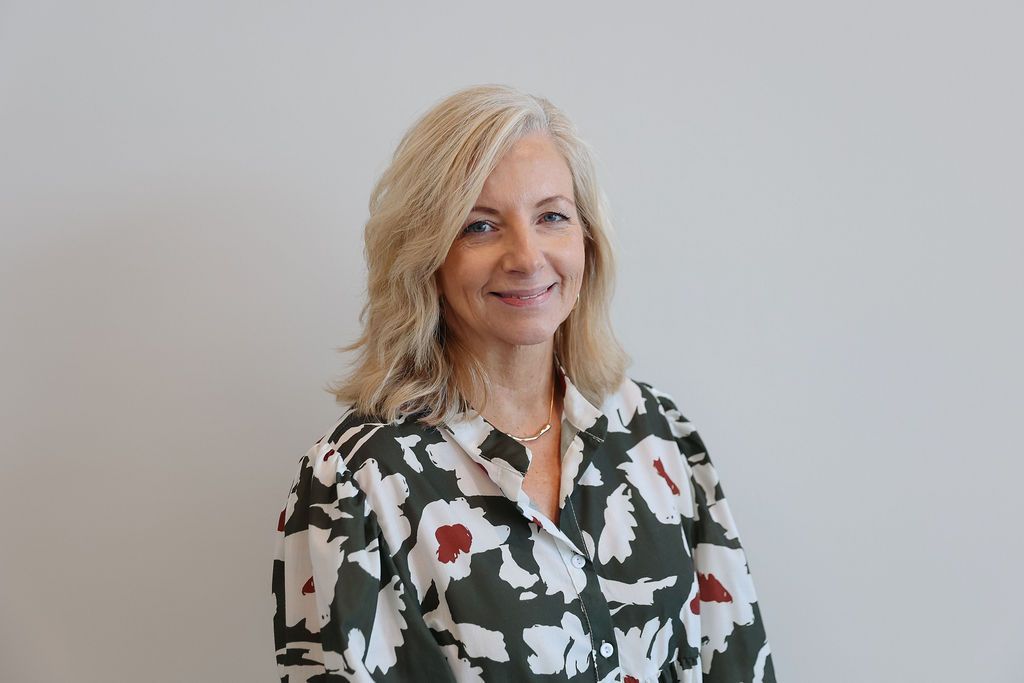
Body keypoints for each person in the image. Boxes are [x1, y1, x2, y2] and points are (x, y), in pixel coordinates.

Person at [272, 84, 775, 682]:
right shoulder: (357, 482)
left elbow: (736, 660)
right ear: (425, 257)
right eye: (480, 227)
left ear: (587, 241)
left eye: (552, 216)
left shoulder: (658, 436)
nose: (527, 256)